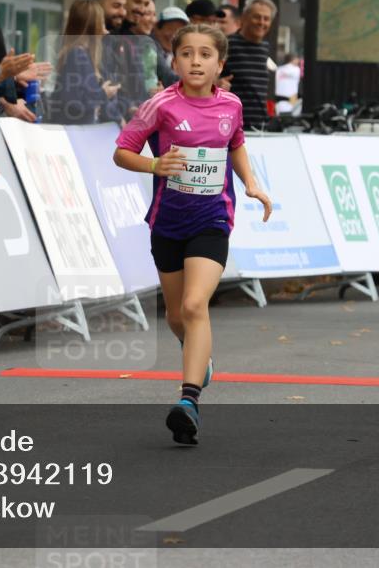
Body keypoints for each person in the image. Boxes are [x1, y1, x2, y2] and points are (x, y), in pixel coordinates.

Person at [112, 24, 272, 445]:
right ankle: (201, 358)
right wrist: (154, 166)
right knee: (177, 316)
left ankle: (188, 401)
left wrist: (251, 183)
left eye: (205, 55)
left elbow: (235, 143)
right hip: (167, 222)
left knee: (195, 302)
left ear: (220, 64)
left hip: (212, 219)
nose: (195, 61)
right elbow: (122, 150)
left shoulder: (232, 105)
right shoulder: (160, 105)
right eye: (187, 54)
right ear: (175, 60)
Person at [45, 0, 120, 125]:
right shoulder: (78, 55)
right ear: (91, 26)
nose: (105, 31)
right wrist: (103, 93)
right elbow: (74, 101)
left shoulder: (79, 53)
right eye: (101, 23)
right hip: (72, 131)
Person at [94, 0, 147, 122]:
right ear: (97, 7)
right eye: (116, 6)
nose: (122, 12)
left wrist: (130, 107)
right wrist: (118, 116)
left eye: (124, 7)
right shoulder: (83, 46)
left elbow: (117, 88)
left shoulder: (113, 43)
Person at [223, 0, 276, 129]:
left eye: (266, 19)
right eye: (257, 17)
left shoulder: (265, 47)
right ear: (244, 18)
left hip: (261, 127)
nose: (261, 22)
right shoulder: (226, 44)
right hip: (231, 127)